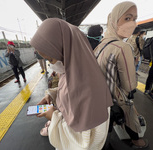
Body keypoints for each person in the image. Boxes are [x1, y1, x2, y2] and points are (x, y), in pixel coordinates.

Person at [30, 18, 113, 150]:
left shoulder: (89, 88)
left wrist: (53, 117)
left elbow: (83, 142)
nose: (51, 65)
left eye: (50, 59)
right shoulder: (75, 72)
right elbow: (70, 91)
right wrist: (51, 96)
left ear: (66, 51)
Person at [94, 1, 148, 149]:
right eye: (127, 18)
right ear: (114, 21)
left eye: (134, 19)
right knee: (130, 115)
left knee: (105, 128)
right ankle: (137, 141)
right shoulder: (122, 47)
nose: (132, 24)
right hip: (116, 99)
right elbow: (129, 85)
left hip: (99, 97)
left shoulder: (101, 45)